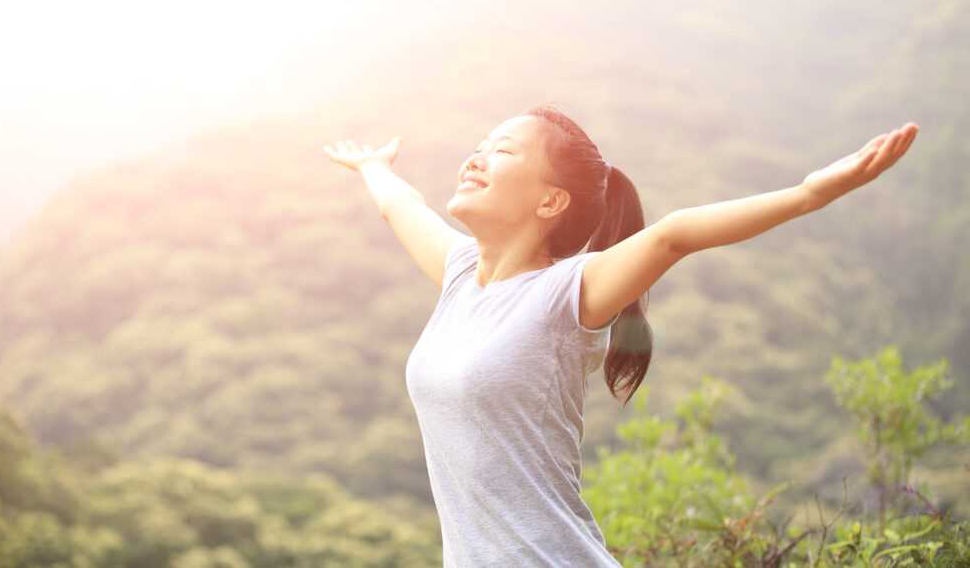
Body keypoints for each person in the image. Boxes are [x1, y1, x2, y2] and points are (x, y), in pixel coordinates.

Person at [323, 104, 918, 566]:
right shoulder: (458, 276)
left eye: (500, 151)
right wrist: (374, 167)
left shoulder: (565, 293)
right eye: (477, 147)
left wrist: (811, 192)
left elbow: (674, 235)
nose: (474, 159)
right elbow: (399, 206)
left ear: (551, 199)